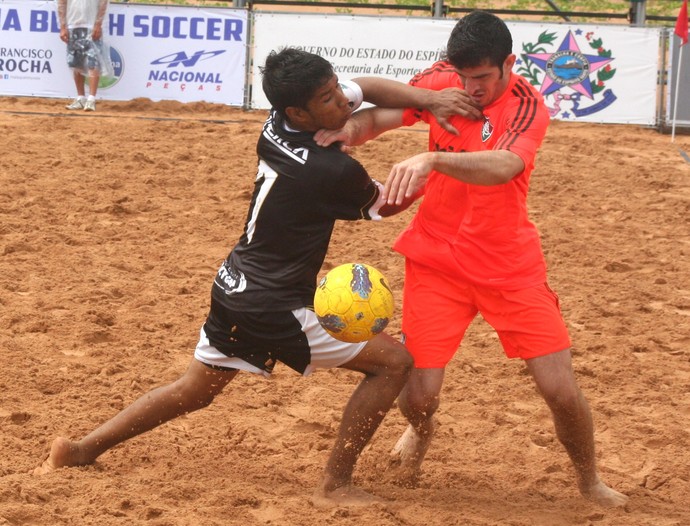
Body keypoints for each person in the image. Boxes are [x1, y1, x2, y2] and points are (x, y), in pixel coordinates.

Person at [35, 48, 480, 508]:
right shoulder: (326, 169)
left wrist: (425, 103)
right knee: (393, 363)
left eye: (334, 90)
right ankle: (335, 485)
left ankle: (80, 450)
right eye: (328, 99)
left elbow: (364, 88)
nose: (341, 104)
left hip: (234, 284)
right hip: (275, 304)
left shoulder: (279, 121)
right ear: (300, 110)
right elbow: (386, 203)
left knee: (193, 390)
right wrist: (443, 161)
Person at [316, 11, 628, 508]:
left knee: (561, 392)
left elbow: (505, 165)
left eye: (481, 78)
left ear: (507, 64)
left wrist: (433, 159)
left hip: (509, 267)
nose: (470, 88)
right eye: (464, 77)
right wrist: (348, 131)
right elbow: (380, 116)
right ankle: (423, 431)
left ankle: (589, 480)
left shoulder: (527, 105)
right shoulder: (446, 82)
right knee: (418, 397)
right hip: (436, 259)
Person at [58, 0, 110, 111]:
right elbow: (62, 3)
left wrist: (98, 24)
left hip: (91, 25)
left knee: (93, 61)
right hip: (72, 25)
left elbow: (103, 2)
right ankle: (81, 98)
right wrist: (63, 26)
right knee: (76, 63)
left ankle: (91, 99)